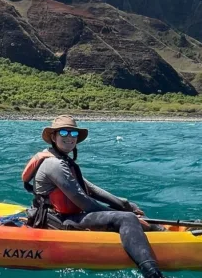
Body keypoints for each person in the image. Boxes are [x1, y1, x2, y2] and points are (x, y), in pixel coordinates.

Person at [22, 115, 166, 278]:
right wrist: (125, 215)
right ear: (53, 137)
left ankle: (162, 233)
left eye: (73, 134)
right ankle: (152, 273)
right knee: (126, 219)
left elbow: (90, 189)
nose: (69, 138)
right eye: (63, 133)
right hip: (58, 221)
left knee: (125, 213)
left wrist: (124, 204)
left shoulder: (62, 160)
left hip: (69, 215)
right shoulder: (53, 164)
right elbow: (82, 201)